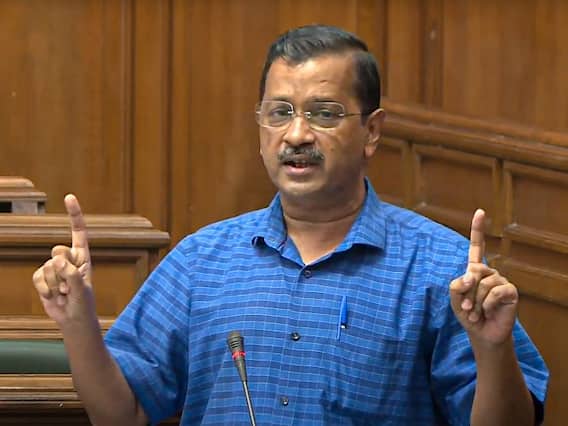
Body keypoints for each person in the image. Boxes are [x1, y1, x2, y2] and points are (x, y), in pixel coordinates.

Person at [33, 24, 548, 425]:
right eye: (279, 112)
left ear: (372, 132)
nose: (296, 134)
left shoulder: (441, 267)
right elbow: (121, 414)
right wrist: (78, 324)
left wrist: (492, 350)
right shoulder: (202, 261)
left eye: (324, 114)